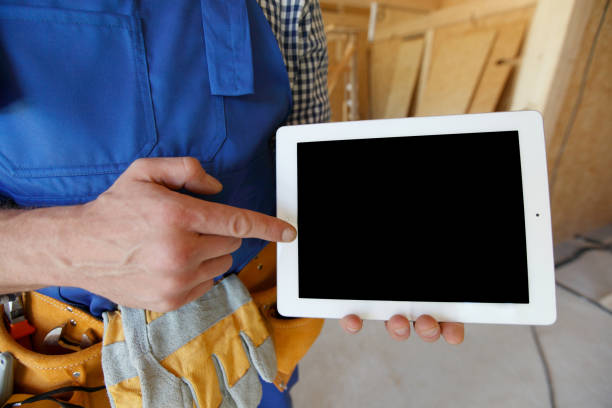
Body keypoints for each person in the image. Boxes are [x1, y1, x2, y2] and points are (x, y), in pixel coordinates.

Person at [0, 0, 463, 406]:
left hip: (252, 341)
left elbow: (306, 171)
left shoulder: (287, 3)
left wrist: (367, 266)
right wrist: (71, 247)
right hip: (79, 365)